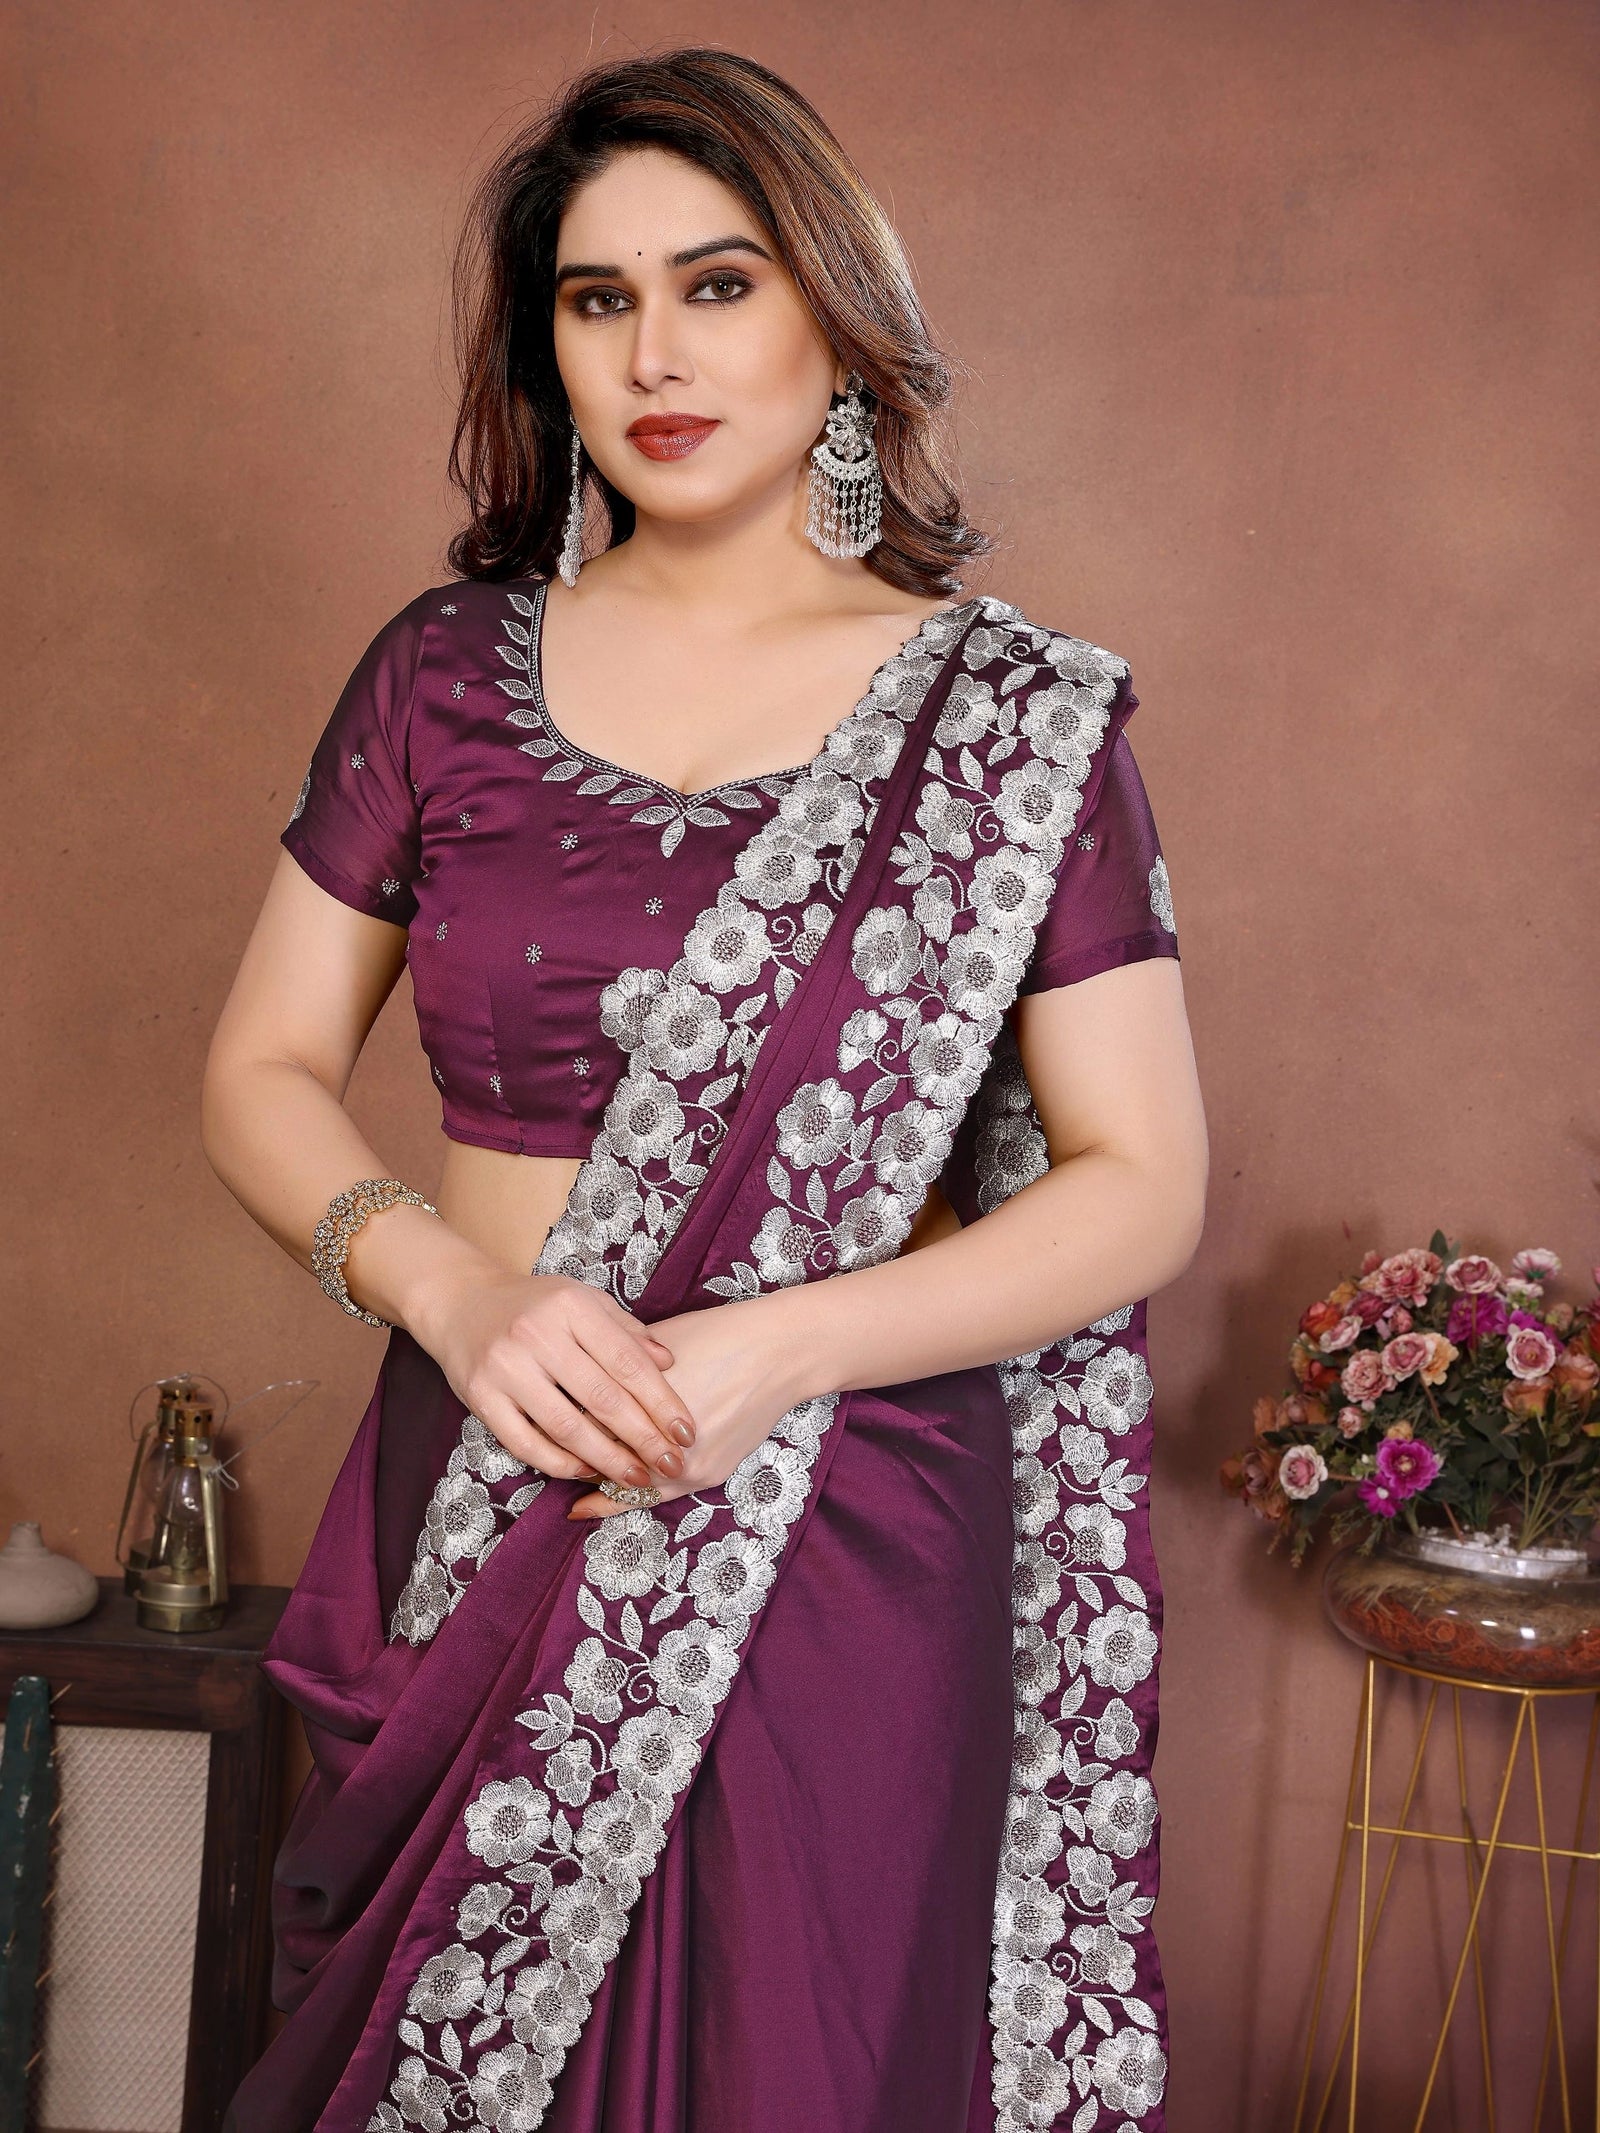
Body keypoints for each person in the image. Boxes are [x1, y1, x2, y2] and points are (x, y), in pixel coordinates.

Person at [204, 45, 1207, 2133]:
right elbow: (266, 1066)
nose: (655, 350)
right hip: (485, 1478)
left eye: (719, 284)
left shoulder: (1014, 724)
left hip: (842, 1521)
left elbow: (1134, 1179)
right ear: (544, 346)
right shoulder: (439, 674)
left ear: (834, 315)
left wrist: (777, 1346)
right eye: (595, 300)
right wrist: (456, 1298)